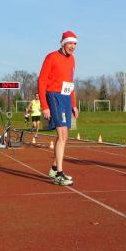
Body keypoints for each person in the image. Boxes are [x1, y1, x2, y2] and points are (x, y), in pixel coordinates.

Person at [39, 30, 79, 186]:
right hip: (54, 96)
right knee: (61, 134)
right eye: (70, 43)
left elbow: (70, 82)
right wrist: (44, 106)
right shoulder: (51, 57)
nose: (73, 46)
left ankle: (54, 168)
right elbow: (42, 81)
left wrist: (73, 104)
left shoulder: (72, 59)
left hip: (66, 98)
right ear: (63, 43)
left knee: (65, 136)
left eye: (75, 44)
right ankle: (59, 175)